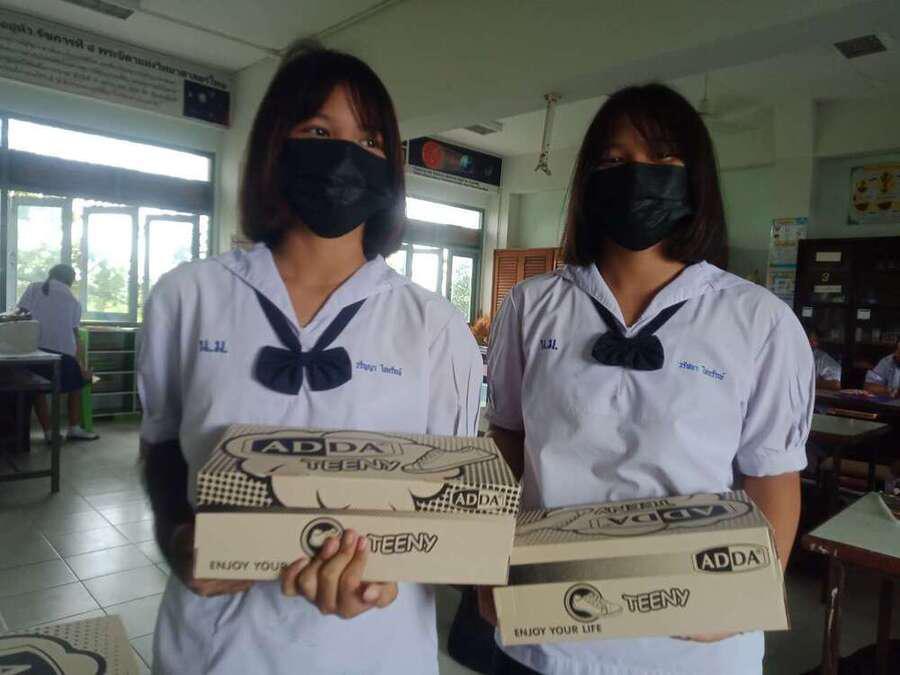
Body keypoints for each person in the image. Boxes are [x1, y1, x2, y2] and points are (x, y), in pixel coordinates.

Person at [137, 43, 482, 675]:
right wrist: (178, 539)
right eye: (320, 132)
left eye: (370, 140)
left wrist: (387, 574)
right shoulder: (188, 297)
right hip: (217, 649)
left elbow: (448, 504)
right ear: (276, 144)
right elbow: (161, 446)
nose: (346, 155)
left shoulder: (433, 325)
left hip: (375, 649)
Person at [480, 84, 814, 675]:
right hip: (549, 626)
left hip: (693, 640)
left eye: (662, 157)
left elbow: (773, 475)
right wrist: (484, 565)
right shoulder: (531, 305)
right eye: (614, 160)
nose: (637, 174)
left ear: (695, 178)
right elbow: (506, 442)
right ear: (589, 181)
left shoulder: (758, 319)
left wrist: (746, 595)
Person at [17, 264, 99, 441]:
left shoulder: (34, 288)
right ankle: (74, 428)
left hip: (36, 352)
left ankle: (49, 433)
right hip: (64, 356)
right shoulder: (74, 301)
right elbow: (76, 336)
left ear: (51, 274)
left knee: (37, 390)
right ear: (71, 280)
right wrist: (81, 366)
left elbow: (20, 316)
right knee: (77, 386)